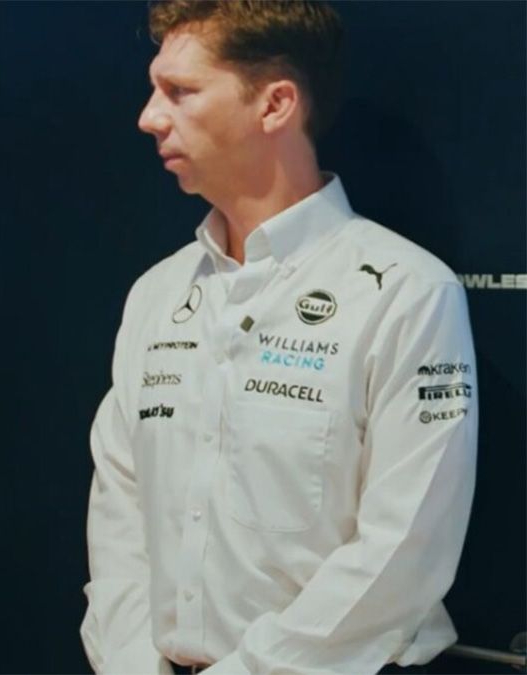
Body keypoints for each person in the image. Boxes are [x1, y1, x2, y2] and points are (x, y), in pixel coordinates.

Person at [80, 2, 478, 673]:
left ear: (275, 105)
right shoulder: (156, 293)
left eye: (180, 91)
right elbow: (121, 516)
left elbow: (402, 556)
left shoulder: (407, 293)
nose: (149, 117)